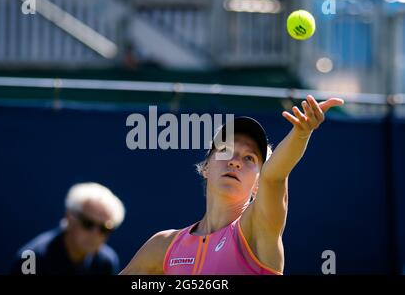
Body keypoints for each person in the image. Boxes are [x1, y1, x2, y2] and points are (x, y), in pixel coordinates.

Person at [120, 95, 344, 275]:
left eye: (250, 158)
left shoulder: (258, 228)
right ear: (206, 168)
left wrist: (302, 133)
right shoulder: (163, 246)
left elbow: (274, 176)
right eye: (226, 151)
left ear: (258, 185)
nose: (235, 161)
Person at [11, 182, 125, 275]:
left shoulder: (107, 263)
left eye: (104, 229)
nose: (94, 234)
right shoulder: (32, 258)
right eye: (88, 223)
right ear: (69, 217)